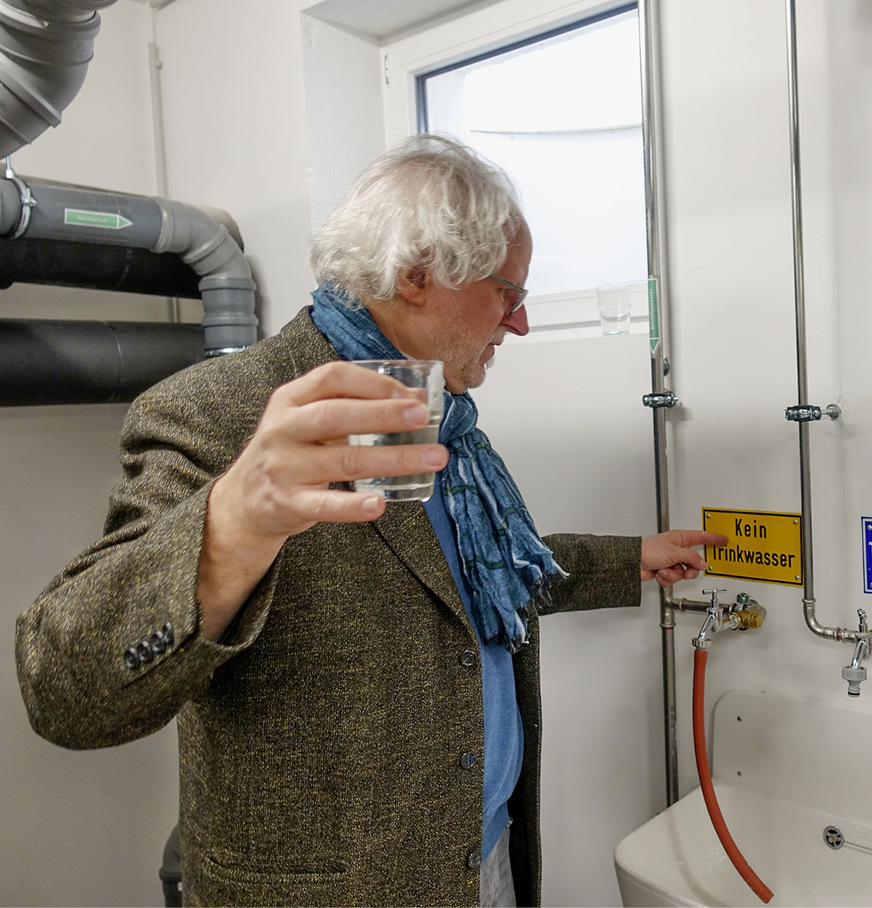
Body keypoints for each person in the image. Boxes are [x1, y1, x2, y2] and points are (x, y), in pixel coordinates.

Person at [16, 134, 725, 908]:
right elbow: (64, 690)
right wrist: (231, 525)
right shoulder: (217, 414)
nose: (518, 324)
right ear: (420, 274)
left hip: (484, 858)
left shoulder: (445, 421)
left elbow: (473, 583)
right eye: (508, 295)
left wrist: (632, 558)